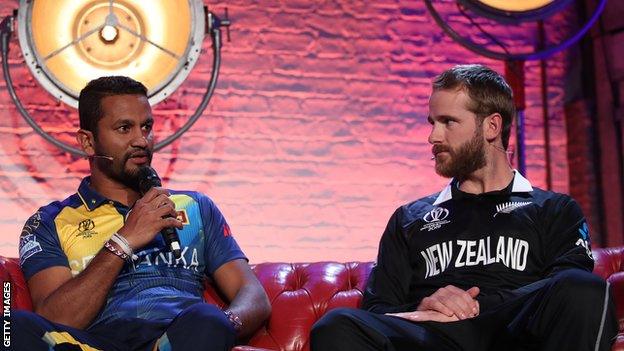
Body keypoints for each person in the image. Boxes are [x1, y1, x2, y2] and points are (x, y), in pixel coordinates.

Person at [311, 64, 617, 350]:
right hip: (433, 336)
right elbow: (379, 308)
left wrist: (478, 306)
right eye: (433, 123)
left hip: (515, 333)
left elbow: (566, 285)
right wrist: (426, 307)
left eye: (448, 122)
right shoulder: (410, 219)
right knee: (335, 325)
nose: (433, 136)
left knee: (584, 289)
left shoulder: (554, 209)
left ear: (492, 126)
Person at [15, 76, 271, 350]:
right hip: (97, 345)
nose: (142, 140)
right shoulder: (48, 222)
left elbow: (253, 295)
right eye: (124, 128)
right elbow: (57, 317)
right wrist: (123, 242)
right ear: (88, 142)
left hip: (180, 339)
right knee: (11, 327)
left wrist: (224, 325)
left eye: (146, 127)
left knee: (207, 318)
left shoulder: (195, 207)